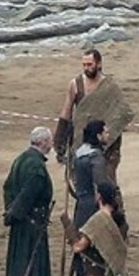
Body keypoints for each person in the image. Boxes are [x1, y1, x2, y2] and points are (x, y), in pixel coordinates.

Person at [53, 48, 128, 184]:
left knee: (107, 180)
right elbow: (66, 112)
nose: (87, 68)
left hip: (106, 144)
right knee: (83, 182)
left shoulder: (110, 87)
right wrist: (59, 142)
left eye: (90, 64)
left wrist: (110, 139)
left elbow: (121, 114)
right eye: (84, 65)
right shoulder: (75, 85)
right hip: (82, 141)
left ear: (99, 64)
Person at [71, 120, 129, 276]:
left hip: (81, 204)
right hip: (94, 205)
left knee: (81, 241)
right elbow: (101, 184)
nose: (107, 135)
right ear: (97, 136)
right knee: (96, 244)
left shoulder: (79, 154)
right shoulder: (95, 158)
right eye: (104, 132)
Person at [3, 127, 54, 276]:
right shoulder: (35, 166)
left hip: (21, 218)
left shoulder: (21, 159)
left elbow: (8, 188)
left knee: (19, 261)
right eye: (49, 142)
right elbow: (28, 194)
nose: (51, 145)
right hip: (29, 221)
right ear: (42, 142)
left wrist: (10, 210)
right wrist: (15, 213)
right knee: (22, 263)